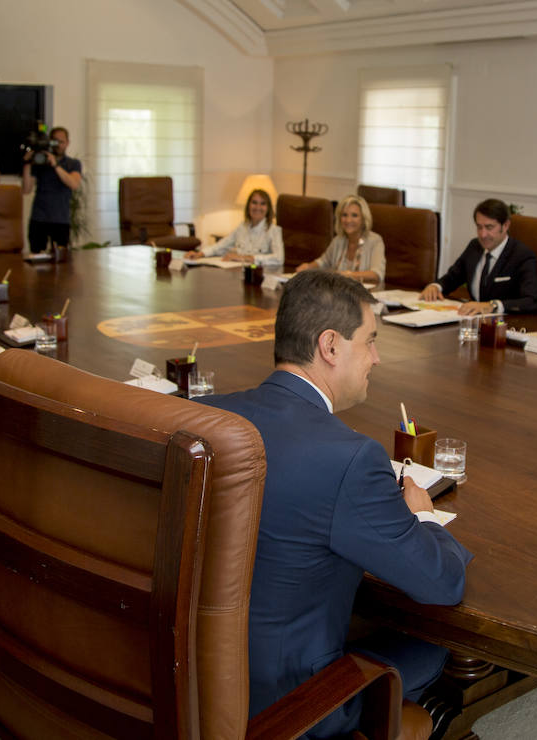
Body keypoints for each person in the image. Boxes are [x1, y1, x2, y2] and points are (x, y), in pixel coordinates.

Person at [199, 270, 471, 738]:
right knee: (437, 644)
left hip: (198, 678)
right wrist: (422, 514)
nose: (377, 357)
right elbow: (442, 582)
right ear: (330, 346)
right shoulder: (350, 458)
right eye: (369, 341)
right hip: (290, 703)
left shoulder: (208, 416)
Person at [420, 198, 537, 316]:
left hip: (503, 325)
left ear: (506, 225)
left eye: (489, 227)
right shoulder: (475, 246)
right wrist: (436, 287)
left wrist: (492, 306)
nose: (483, 235)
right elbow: (453, 276)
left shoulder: (522, 255)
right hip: (471, 319)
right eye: (479, 227)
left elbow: (531, 301)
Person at [295, 195, 385, 282]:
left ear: (363, 218)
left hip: (364, 294)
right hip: (339, 294)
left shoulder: (375, 241)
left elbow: (376, 274)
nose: (348, 220)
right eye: (344, 215)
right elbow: (323, 262)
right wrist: (308, 267)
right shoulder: (338, 240)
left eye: (354, 215)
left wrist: (349, 275)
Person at [22, 126, 83, 253]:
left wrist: (55, 165)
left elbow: (74, 184)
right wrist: (27, 163)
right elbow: (26, 189)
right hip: (38, 218)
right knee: (37, 260)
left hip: (60, 219)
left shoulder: (73, 163)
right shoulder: (39, 162)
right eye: (55, 141)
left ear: (67, 143)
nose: (58, 145)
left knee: (61, 261)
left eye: (62, 142)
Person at [185, 188, 283, 265]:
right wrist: (200, 254)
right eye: (254, 202)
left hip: (259, 275)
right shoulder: (242, 227)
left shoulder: (274, 230)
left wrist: (248, 258)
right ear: (248, 205)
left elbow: (279, 258)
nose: (258, 207)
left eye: (262, 204)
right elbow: (221, 245)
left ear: (268, 208)